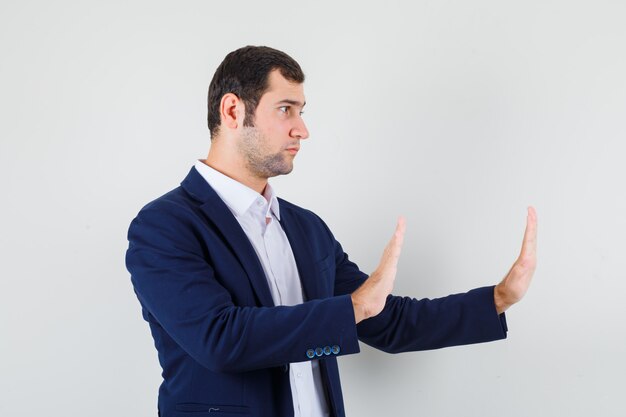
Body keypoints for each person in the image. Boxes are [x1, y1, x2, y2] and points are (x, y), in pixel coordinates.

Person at [125, 45, 537, 417]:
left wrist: (499, 298)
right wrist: (354, 307)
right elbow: (220, 340)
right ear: (232, 111)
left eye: (302, 111)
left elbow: (386, 320)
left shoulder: (306, 228)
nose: (302, 129)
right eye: (285, 109)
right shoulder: (164, 226)